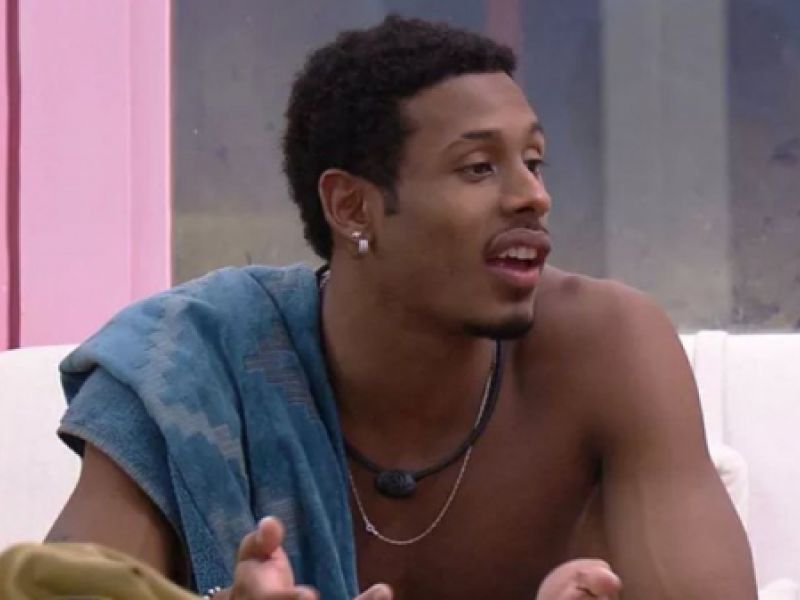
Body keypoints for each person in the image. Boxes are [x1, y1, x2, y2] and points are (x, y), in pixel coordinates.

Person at [44, 15, 757, 600]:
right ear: (352, 206)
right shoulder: (189, 370)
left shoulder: (608, 352)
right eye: (479, 167)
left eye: (534, 162)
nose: (532, 196)